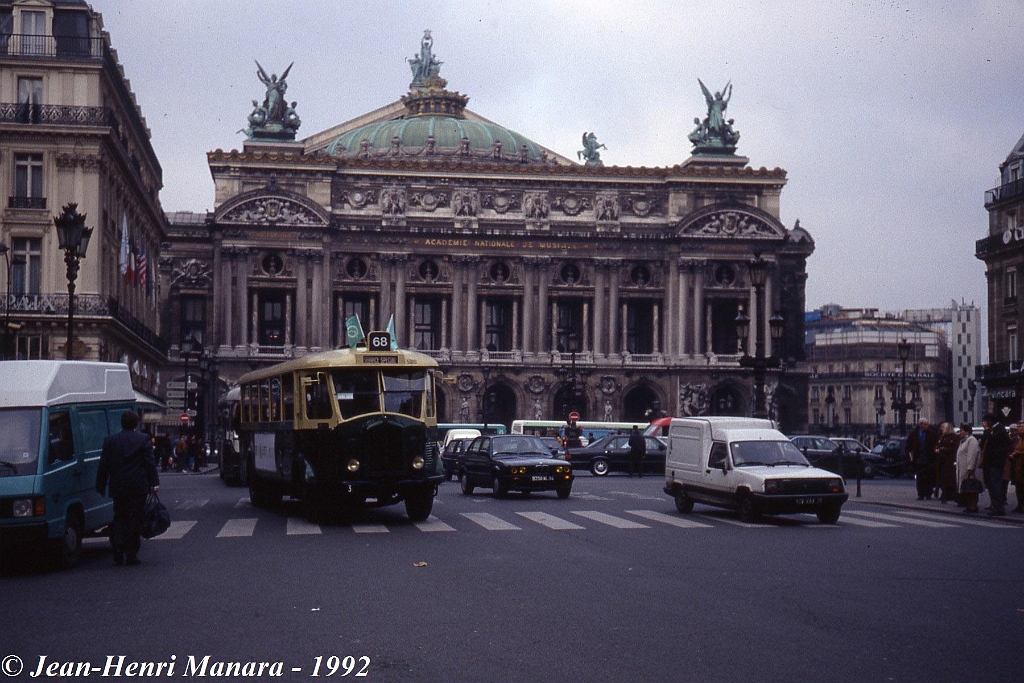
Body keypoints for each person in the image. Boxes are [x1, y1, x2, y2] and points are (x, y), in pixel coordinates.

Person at [95, 410, 159, 566]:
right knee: (134, 518)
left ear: (121, 424)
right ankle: (131, 553)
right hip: (138, 486)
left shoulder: (110, 441)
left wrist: (101, 484)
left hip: (118, 486)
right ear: (136, 424)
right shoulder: (143, 439)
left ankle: (117, 548)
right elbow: (149, 463)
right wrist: (154, 483)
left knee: (119, 517)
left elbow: (104, 465)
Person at [980, 413, 1011, 516]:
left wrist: (987, 429)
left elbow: (992, 439)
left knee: (995, 485)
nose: (985, 423)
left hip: (996, 462)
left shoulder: (1000, 429)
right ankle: (995, 506)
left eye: (986, 421)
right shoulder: (993, 429)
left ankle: (999, 507)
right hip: (989, 462)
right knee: (991, 485)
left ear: (990, 421)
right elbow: (984, 440)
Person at [904, 418, 938, 500]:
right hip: (918, 459)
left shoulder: (932, 433)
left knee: (929, 478)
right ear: (921, 425)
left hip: (929, 459)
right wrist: (910, 457)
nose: (927, 426)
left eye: (927, 424)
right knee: (919, 478)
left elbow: (936, 444)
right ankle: (921, 494)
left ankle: (928, 494)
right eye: (925, 424)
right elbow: (908, 446)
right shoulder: (914, 433)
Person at [955, 423, 981, 513]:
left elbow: (971, 454)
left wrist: (970, 467)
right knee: (967, 488)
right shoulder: (963, 441)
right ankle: (969, 505)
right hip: (962, 468)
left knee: (972, 488)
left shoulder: (971, 440)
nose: (960, 432)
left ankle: (973, 506)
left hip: (969, 469)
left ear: (967, 431)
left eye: (961, 430)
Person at [934, 422, 960, 502]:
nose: (941, 428)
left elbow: (954, 448)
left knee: (949, 478)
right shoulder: (942, 437)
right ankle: (945, 493)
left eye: (943, 427)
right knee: (942, 478)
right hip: (942, 461)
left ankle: (949, 494)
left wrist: (942, 449)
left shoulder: (953, 437)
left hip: (949, 461)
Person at [1008, 427, 1024, 513]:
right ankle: (1020, 504)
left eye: (1021, 427)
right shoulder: (1019, 439)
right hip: (1018, 466)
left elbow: (1018, 450)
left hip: (1022, 465)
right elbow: (1016, 449)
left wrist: (1017, 453)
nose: (1019, 429)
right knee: (1019, 486)